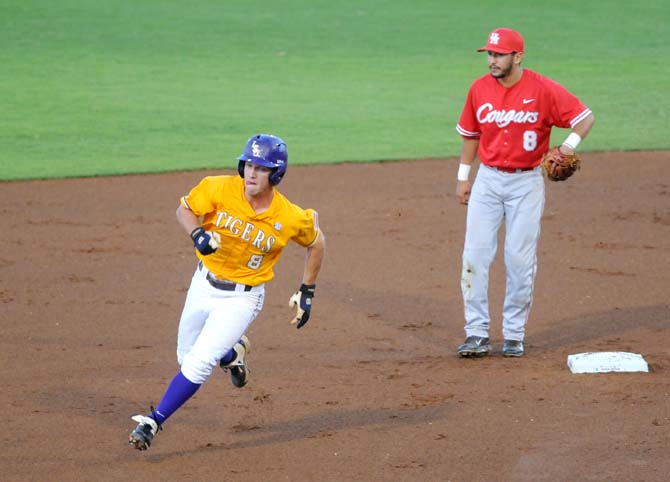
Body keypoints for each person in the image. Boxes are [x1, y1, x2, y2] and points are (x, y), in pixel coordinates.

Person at [128, 134, 326, 450]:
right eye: (248, 164)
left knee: (199, 363)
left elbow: (317, 242)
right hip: (203, 284)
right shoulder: (218, 188)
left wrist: (307, 291)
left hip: (242, 297)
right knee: (186, 357)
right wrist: (197, 235)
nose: (251, 172)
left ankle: (154, 421)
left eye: (260, 168)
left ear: (275, 174)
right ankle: (233, 354)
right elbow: (185, 210)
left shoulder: (289, 216)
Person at [454, 28, 594, 358]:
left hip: (526, 183)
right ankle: (476, 333)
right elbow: (470, 135)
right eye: (489, 54)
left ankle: (514, 333)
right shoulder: (479, 88)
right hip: (487, 181)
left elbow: (585, 118)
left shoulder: (542, 88)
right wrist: (463, 177)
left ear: (517, 56)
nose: (492, 60)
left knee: (519, 259)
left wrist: (566, 147)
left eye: (499, 54)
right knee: (474, 256)